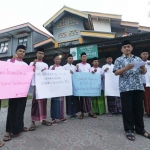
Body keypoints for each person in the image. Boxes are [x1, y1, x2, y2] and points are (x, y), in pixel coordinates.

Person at [113, 40, 150, 141]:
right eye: (124, 47)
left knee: (139, 109)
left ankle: (140, 129)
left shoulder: (137, 59)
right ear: (122, 49)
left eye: (128, 46)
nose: (127, 48)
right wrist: (126, 68)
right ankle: (129, 129)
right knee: (127, 109)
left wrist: (142, 67)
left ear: (132, 48)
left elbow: (143, 72)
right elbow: (116, 72)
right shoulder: (119, 60)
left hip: (138, 87)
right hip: (125, 88)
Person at [3, 45, 29, 142]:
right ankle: (8, 131)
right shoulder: (10, 62)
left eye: (23, 51)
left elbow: (28, 77)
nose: (22, 53)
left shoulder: (26, 65)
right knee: (12, 110)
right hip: (13, 91)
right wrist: (12, 60)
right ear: (16, 51)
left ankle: (20, 127)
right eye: (20, 51)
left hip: (23, 91)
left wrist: (33, 70)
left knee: (21, 110)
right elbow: (5, 73)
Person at [29, 48, 52, 131]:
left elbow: (47, 76)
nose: (41, 54)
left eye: (42, 53)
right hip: (36, 85)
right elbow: (29, 73)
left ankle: (43, 119)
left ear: (43, 55)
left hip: (43, 86)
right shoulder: (32, 63)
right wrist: (33, 67)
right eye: (39, 53)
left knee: (43, 103)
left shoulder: (46, 65)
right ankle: (33, 122)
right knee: (35, 103)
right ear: (36, 54)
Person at [76, 52, 96, 119]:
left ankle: (90, 112)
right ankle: (82, 113)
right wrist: (76, 69)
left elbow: (90, 73)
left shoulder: (88, 65)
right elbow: (76, 74)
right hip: (81, 85)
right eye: (83, 56)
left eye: (85, 56)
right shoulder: (78, 65)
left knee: (88, 98)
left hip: (88, 84)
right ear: (81, 58)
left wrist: (93, 72)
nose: (84, 58)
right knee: (82, 99)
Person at [49, 53, 67, 125]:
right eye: (57, 59)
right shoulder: (51, 67)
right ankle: (53, 118)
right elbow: (49, 76)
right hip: (54, 88)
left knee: (61, 102)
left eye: (59, 59)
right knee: (54, 103)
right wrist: (53, 69)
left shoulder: (62, 68)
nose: (58, 60)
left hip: (60, 88)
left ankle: (61, 116)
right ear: (54, 60)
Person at [63, 54, 80, 118]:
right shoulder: (64, 67)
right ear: (67, 59)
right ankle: (70, 113)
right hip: (68, 85)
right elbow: (63, 75)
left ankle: (74, 112)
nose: (71, 59)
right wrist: (68, 72)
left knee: (75, 99)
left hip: (74, 85)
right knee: (69, 99)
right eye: (69, 58)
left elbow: (78, 75)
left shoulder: (74, 67)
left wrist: (77, 69)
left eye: (72, 58)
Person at [140, 49, 150, 116]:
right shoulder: (139, 63)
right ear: (140, 55)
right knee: (144, 98)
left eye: (146, 54)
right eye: (143, 54)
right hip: (142, 83)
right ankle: (146, 111)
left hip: (149, 82)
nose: (145, 55)